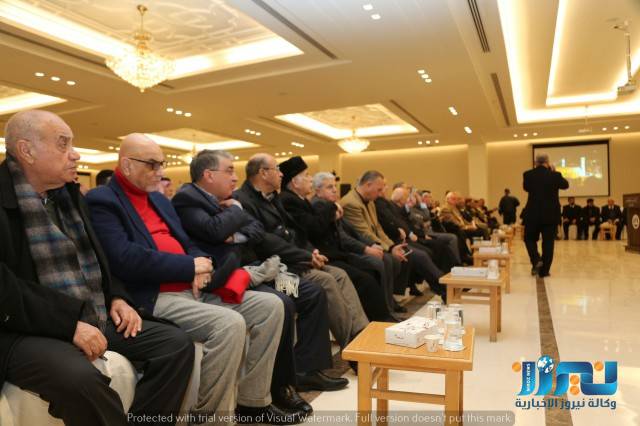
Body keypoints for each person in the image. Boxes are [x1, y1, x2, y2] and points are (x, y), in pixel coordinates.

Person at [0, 110, 194, 426]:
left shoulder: (68, 196)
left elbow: (98, 258)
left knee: (175, 345)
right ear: (26, 151)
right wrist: (68, 324)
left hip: (90, 312)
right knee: (79, 379)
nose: (75, 154)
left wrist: (117, 297)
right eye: (63, 144)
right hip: (24, 327)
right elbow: (5, 290)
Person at [86, 135, 292, 425]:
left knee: (271, 306)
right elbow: (124, 257)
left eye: (162, 164)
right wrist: (189, 266)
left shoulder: (159, 199)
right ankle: (210, 419)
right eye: (152, 164)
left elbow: (186, 243)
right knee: (229, 323)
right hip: (153, 294)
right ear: (127, 164)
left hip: (193, 287)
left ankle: (252, 403)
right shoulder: (102, 200)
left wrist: (202, 264)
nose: (160, 171)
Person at [172, 149, 345, 403]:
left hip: (260, 270)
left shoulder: (230, 199)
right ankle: (281, 385)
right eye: (229, 171)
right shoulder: (196, 199)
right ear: (208, 175)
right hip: (239, 275)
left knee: (310, 292)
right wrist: (236, 212)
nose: (234, 177)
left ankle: (308, 369)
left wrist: (234, 233)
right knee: (284, 302)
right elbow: (215, 231)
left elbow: (256, 230)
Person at [234, 153, 368, 353]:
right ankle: (351, 346)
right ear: (263, 173)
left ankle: (361, 333)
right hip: (272, 269)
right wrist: (306, 256)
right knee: (324, 283)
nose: (281, 174)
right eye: (276, 169)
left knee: (339, 274)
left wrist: (311, 252)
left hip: (293, 260)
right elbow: (266, 242)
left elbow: (295, 232)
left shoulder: (272, 198)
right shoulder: (243, 200)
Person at [278, 157, 392, 322]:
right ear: (295, 182)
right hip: (308, 260)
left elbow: (350, 233)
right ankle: (364, 326)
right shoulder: (291, 200)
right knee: (355, 278)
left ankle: (374, 320)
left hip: (318, 254)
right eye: (307, 175)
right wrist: (331, 210)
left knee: (370, 271)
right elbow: (312, 228)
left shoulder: (301, 200)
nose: (311, 179)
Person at [522, 153, 569, 277]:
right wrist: (554, 171)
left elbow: (526, 188)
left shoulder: (528, 174)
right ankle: (544, 271)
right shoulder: (555, 175)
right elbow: (566, 185)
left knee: (529, 239)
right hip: (551, 215)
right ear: (547, 162)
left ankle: (536, 260)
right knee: (548, 243)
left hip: (532, 214)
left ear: (535, 162)